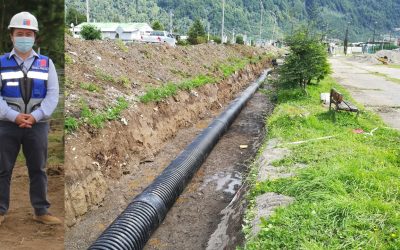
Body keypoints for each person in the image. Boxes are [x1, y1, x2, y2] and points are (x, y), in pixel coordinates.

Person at [0, 12, 61, 225]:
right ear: (12, 36)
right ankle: (0, 210)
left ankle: (41, 211)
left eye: (28, 34)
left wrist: (35, 116)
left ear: (35, 37)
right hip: (7, 125)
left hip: (38, 125)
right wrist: (13, 116)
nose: (24, 38)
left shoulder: (46, 63)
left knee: (38, 168)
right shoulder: (1, 63)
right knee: (3, 168)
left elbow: (53, 94)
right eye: (20, 33)